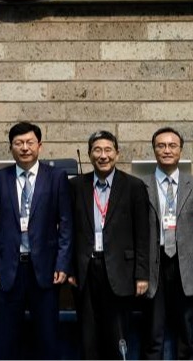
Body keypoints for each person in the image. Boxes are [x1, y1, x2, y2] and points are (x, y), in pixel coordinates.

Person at [0, 121, 73, 360]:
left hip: (45, 270)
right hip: (8, 270)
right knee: (6, 340)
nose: (24, 148)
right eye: (18, 143)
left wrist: (62, 264)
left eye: (30, 142)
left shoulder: (56, 177)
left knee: (47, 338)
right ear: (10, 147)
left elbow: (66, 225)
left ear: (39, 146)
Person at [68, 130, 149, 360]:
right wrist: (71, 268)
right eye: (97, 150)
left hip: (120, 270)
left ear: (117, 153)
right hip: (86, 269)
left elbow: (143, 233)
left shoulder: (133, 186)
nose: (103, 155)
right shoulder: (76, 186)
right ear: (89, 154)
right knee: (88, 337)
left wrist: (141, 274)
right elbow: (69, 230)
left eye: (108, 150)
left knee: (117, 337)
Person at [141, 126, 193, 360]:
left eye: (172, 145)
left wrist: (192, 252)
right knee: (153, 333)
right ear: (154, 150)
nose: (167, 150)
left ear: (180, 150)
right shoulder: (140, 185)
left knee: (187, 333)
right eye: (161, 146)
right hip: (153, 265)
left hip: (186, 265)